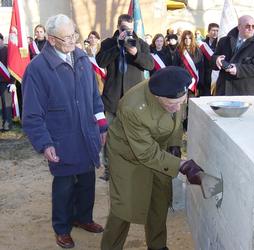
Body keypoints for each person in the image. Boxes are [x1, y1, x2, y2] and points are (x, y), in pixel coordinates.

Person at [22, 14, 108, 249]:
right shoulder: (37, 69)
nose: (73, 41)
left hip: (87, 133)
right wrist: (45, 143)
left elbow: (94, 97)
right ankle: (62, 228)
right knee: (64, 186)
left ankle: (83, 217)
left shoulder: (81, 57)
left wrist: (101, 125)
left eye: (74, 35)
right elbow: (31, 114)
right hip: (61, 138)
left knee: (88, 181)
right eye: (66, 37)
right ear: (51, 39)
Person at [100, 66, 204, 250]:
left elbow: (176, 121)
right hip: (128, 155)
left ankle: (157, 246)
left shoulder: (175, 91)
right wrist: (182, 165)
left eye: (182, 101)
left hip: (159, 151)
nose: (178, 107)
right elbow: (146, 153)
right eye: (172, 104)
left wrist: (174, 144)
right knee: (124, 206)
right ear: (156, 97)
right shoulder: (133, 106)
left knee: (159, 200)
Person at [96, 14, 154, 181]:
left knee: (135, 135)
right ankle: (109, 169)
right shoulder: (108, 43)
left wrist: (135, 53)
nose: (127, 32)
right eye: (123, 29)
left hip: (134, 99)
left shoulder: (141, 44)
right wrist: (117, 45)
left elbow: (149, 65)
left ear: (133, 27)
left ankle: (134, 166)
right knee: (109, 136)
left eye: (129, 29)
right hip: (112, 98)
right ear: (118, 27)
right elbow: (100, 61)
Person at [212, 15, 254, 95]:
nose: (251, 29)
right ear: (239, 27)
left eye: (253, 26)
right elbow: (213, 60)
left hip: (244, 92)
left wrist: (238, 69)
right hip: (224, 90)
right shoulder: (224, 41)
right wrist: (216, 60)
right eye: (247, 26)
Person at [178, 30, 204, 96]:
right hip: (182, 81)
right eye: (185, 38)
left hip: (193, 82)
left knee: (192, 102)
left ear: (192, 39)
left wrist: (199, 85)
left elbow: (201, 68)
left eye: (189, 38)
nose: (187, 40)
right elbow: (176, 66)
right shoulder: (178, 50)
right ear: (183, 39)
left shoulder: (197, 51)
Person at [201, 23, 219, 96]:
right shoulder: (203, 44)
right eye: (213, 30)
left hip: (216, 73)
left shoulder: (220, 44)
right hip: (205, 73)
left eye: (217, 31)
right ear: (208, 31)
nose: (215, 33)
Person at [0, 33, 12, 131]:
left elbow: (11, 67)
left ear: (2, 40)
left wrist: (12, 82)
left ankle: (7, 124)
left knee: (6, 104)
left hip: (5, 81)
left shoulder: (7, 50)